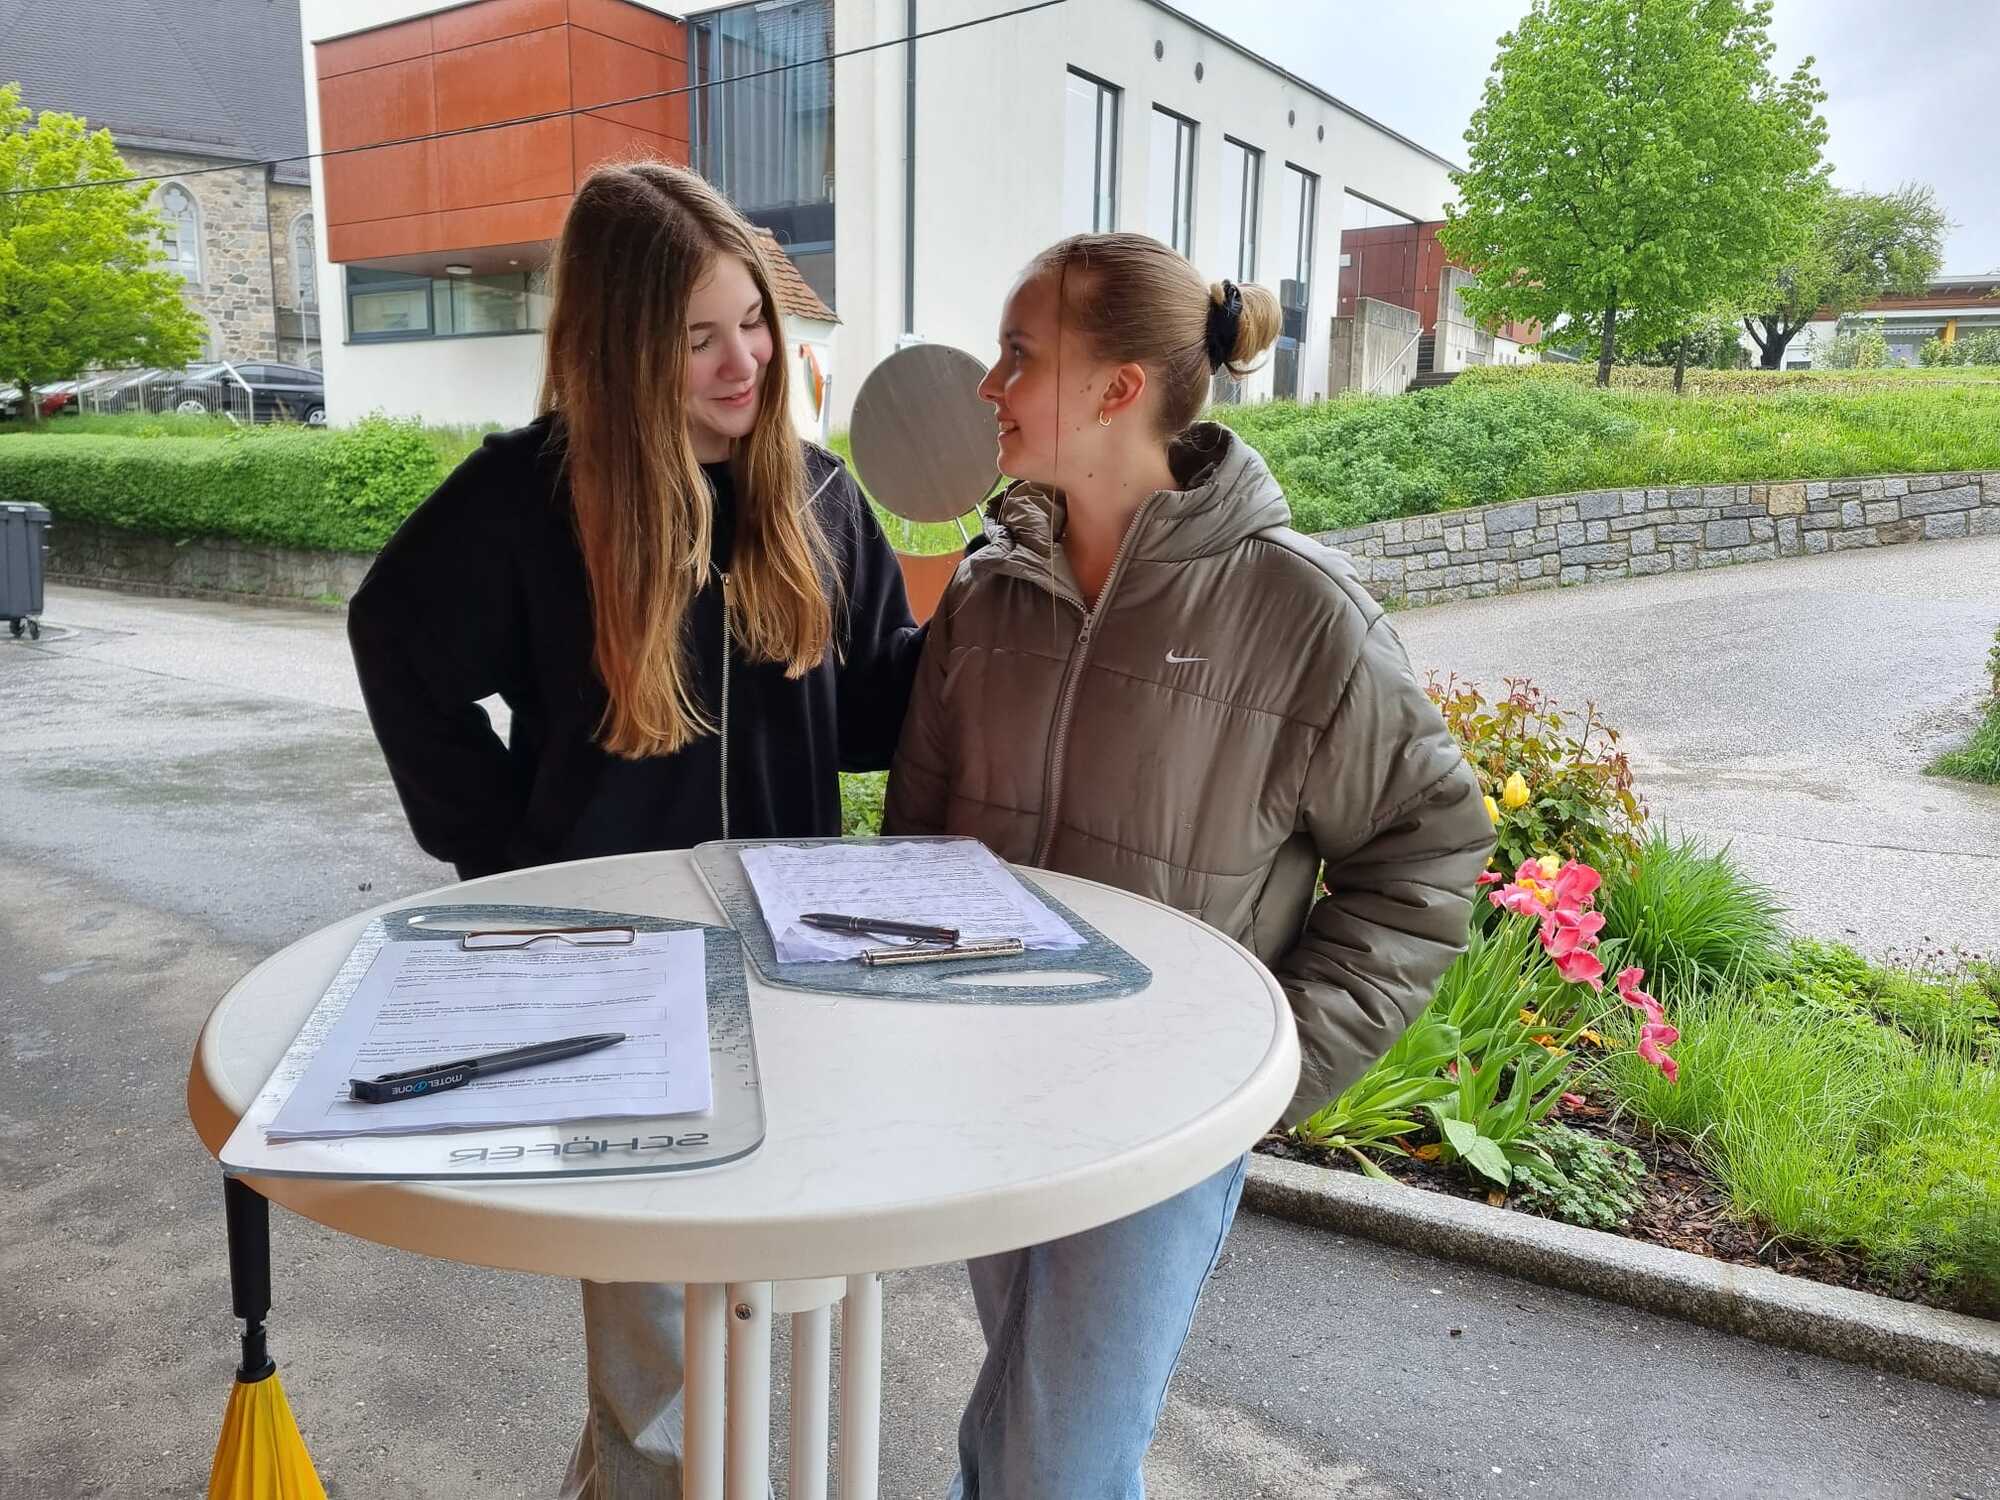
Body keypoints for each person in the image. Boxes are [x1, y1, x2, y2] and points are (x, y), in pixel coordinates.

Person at [883, 233, 1494, 1498]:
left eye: (1016, 354)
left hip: (1162, 1125)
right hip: (992, 1098)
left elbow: (1427, 851)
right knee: (1024, 1431)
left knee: (1055, 1461)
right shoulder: (990, 594)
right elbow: (921, 836)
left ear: (1116, 388)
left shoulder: (1298, 613)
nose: (985, 387)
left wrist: (1269, 1065)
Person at [347, 161, 923, 1498]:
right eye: (698, 337)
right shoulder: (533, 502)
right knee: (656, 1361)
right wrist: (500, 855)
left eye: (758, 322)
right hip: (611, 976)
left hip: (792, 971)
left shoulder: (824, 499)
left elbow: (875, 713)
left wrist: (995, 607)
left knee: (762, 1309)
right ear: (622, 345)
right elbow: (398, 641)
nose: (746, 363)